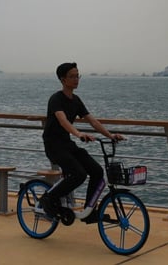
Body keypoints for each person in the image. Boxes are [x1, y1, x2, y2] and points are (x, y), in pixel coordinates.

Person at [38, 62, 124, 222]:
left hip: (67, 144)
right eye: (72, 76)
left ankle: (89, 211)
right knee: (79, 174)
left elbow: (93, 121)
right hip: (53, 145)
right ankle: (49, 199)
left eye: (77, 76)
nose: (76, 79)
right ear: (63, 79)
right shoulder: (56, 99)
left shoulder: (76, 100)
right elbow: (63, 121)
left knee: (97, 171)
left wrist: (110, 135)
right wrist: (79, 134)